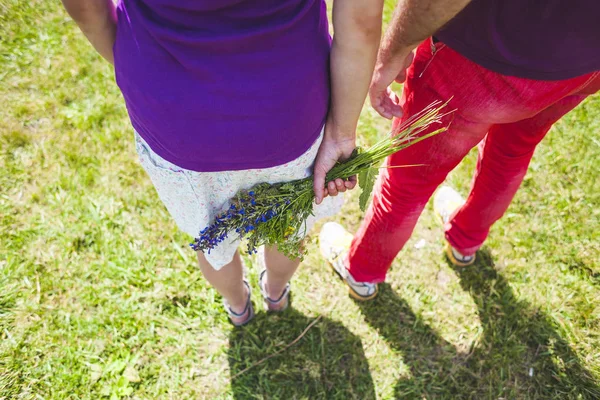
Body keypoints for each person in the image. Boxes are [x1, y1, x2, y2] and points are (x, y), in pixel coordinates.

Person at [62, 0, 384, 325]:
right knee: (288, 230)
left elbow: (85, 8)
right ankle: (276, 294)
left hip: (176, 118)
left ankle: (238, 307)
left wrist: (136, 68)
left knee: (211, 237)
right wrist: (342, 132)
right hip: (288, 112)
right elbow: (361, 21)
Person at [320, 0, 600, 300]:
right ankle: (465, 240)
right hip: (584, 62)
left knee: (410, 177)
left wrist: (393, 51)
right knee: (513, 150)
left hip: (486, 54)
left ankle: (362, 270)